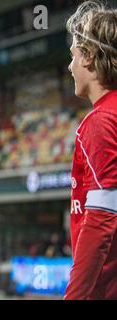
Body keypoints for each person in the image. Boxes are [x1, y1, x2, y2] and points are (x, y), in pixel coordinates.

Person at [64, 1, 117, 299]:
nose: (70, 67)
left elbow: (100, 219)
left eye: (73, 56)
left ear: (90, 56)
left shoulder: (99, 121)